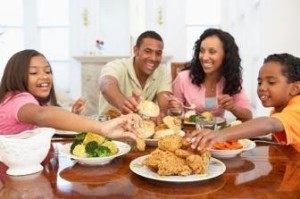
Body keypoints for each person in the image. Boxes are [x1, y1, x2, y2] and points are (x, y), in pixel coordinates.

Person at [0, 49, 142, 140]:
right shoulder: (18, 99)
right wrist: (102, 127)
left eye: (48, 71)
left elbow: (45, 122)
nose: (44, 77)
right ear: (16, 75)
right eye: (33, 72)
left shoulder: (29, 102)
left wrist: (72, 115)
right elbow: (42, 115)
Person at [187, 53, 300, 152]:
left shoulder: (297, 107)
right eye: (260, 83)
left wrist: (221, 134)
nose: (261, 88)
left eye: (271, 82)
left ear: (295, 88)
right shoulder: (278, 109)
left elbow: (270, 124)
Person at [173, 28, 252, 121]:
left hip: (218, 134)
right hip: (189, 132)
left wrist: (233, 107)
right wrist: (176, 109)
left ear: (226, 55)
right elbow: (174, 117)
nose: (204, 57)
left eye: (212, 52)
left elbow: (248, 115)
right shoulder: (183, 78)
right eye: (202, 51)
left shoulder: (230, 80)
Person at [98, 30, 173, 118]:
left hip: (142, 128)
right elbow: (106, 84)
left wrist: (164, 112)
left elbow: (164, 103)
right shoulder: (117, 66)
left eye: (158, 53)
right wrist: (123, 103)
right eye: (148, 51)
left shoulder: (163, 72)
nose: (153, 58)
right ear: (136, 50)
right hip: (109, 126)